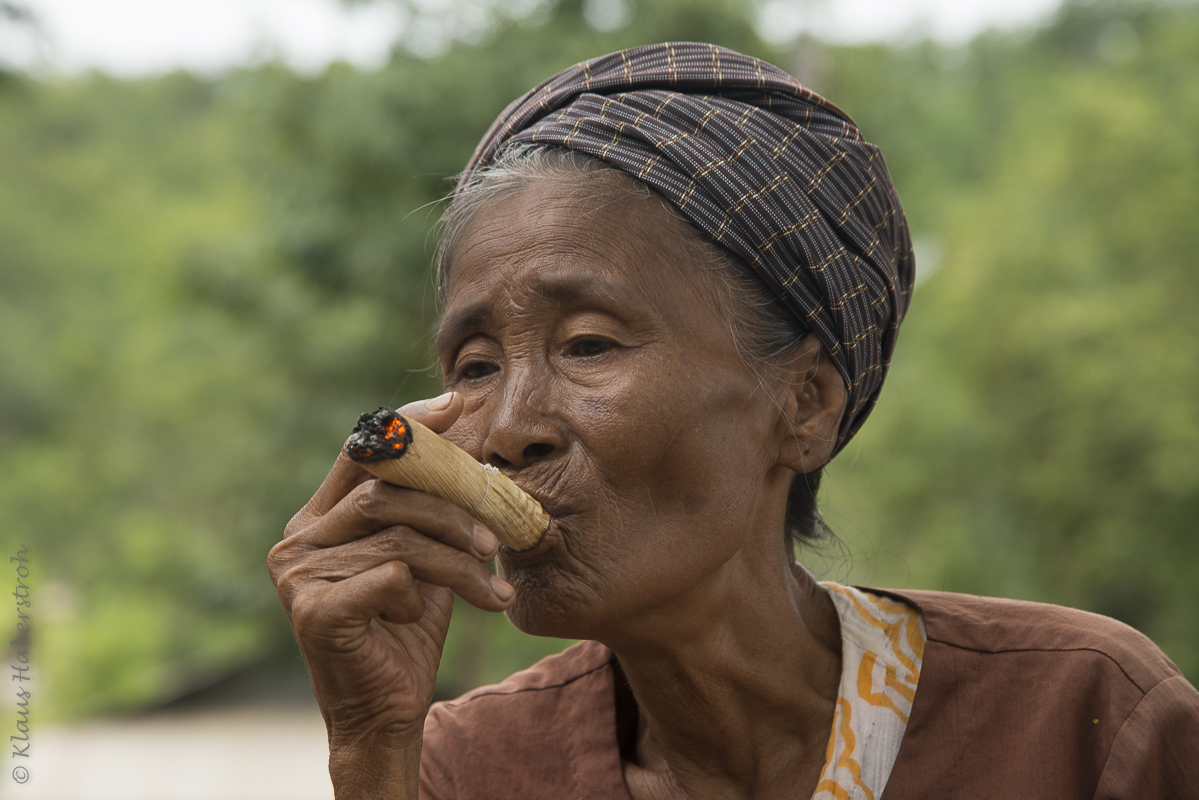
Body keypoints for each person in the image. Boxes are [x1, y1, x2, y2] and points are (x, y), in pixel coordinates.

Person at [268, 43, 1199, 799]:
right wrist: (369, 749)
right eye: (474, 366)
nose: (507, 429)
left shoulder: (1078, 723)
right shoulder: (466, 768)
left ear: (805, 405)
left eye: (588, 344)